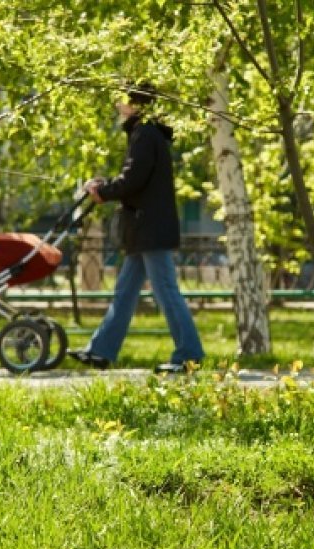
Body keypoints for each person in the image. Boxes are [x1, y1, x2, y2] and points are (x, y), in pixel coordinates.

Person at [69, 83, 205, 373]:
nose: (118, 106)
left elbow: (133, 179)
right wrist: (105, 187)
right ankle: (101, 350)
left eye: (121, 100)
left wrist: (103, 191)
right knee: (125, 292)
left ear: (135, 103)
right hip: (144, 225)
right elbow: (134, 178)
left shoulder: (144, 134)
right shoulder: (146, 133)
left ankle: (189, 355)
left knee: (166, 290)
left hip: (148, 226)